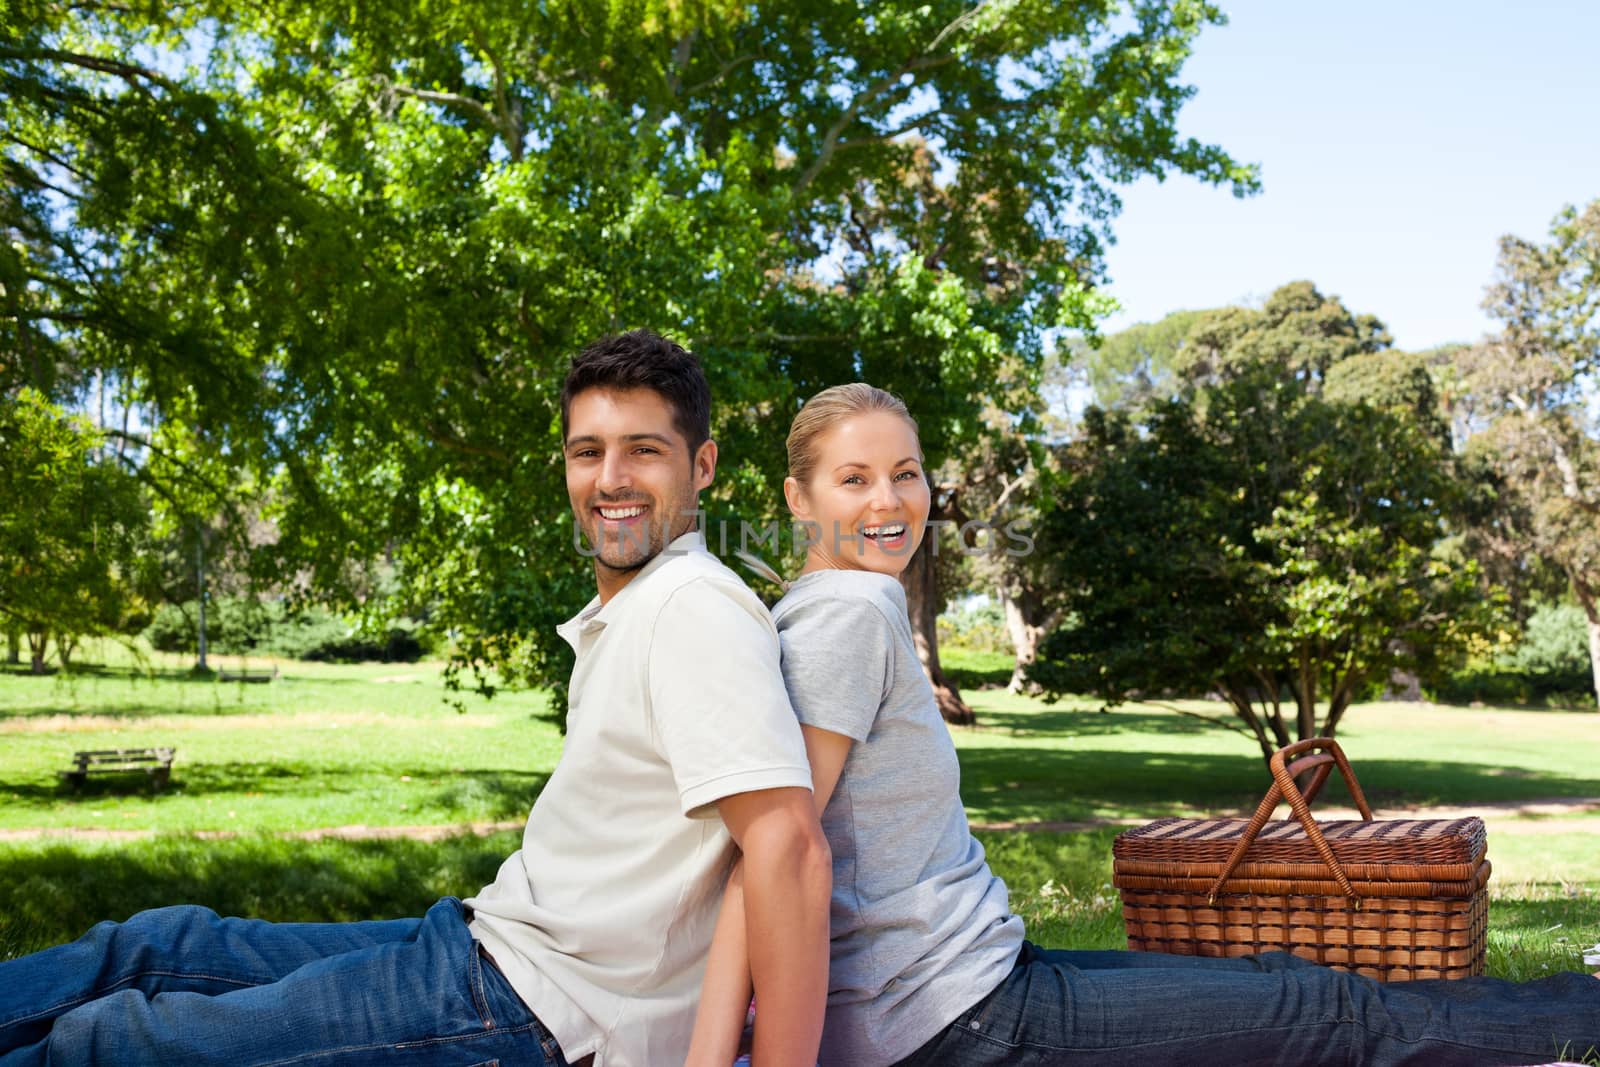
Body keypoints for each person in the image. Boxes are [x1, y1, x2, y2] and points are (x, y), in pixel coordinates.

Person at [688, 381, 1600, 1067]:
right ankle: (1583, 1014)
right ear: (798, 497)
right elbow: (775, 857)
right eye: (854, 479)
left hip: (982, 976)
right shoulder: (851, 611)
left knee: (1280, 981)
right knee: (1322, 1013)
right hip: (959, 1021)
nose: (888, 501)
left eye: (906, 472)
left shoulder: (818, 609)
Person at [0, 330, 832, 1067]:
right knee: (156, 946)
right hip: (484, 940)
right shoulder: (641, 605)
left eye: (643, 450)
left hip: (538, 1011)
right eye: (588, 451)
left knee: (115, 1043)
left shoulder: (694, 607)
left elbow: (788, 851)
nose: (610, 478)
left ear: (704, 464)